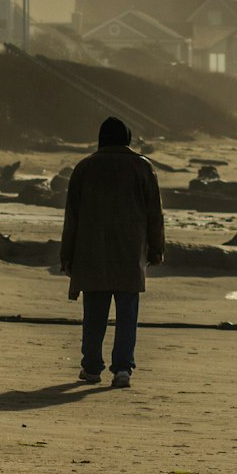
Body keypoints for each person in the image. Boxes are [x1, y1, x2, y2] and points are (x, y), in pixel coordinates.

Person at [60, 116, 166, 389]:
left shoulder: (85, 168)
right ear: (127, 139)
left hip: (91, 250)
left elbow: (71, 216)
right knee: (127, 313)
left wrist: (67, 255)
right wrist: (156, 249)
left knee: (94, 312)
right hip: (130, 252)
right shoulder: (142, 167)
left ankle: (92, 367)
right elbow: (155, 213)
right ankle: (122, 369)